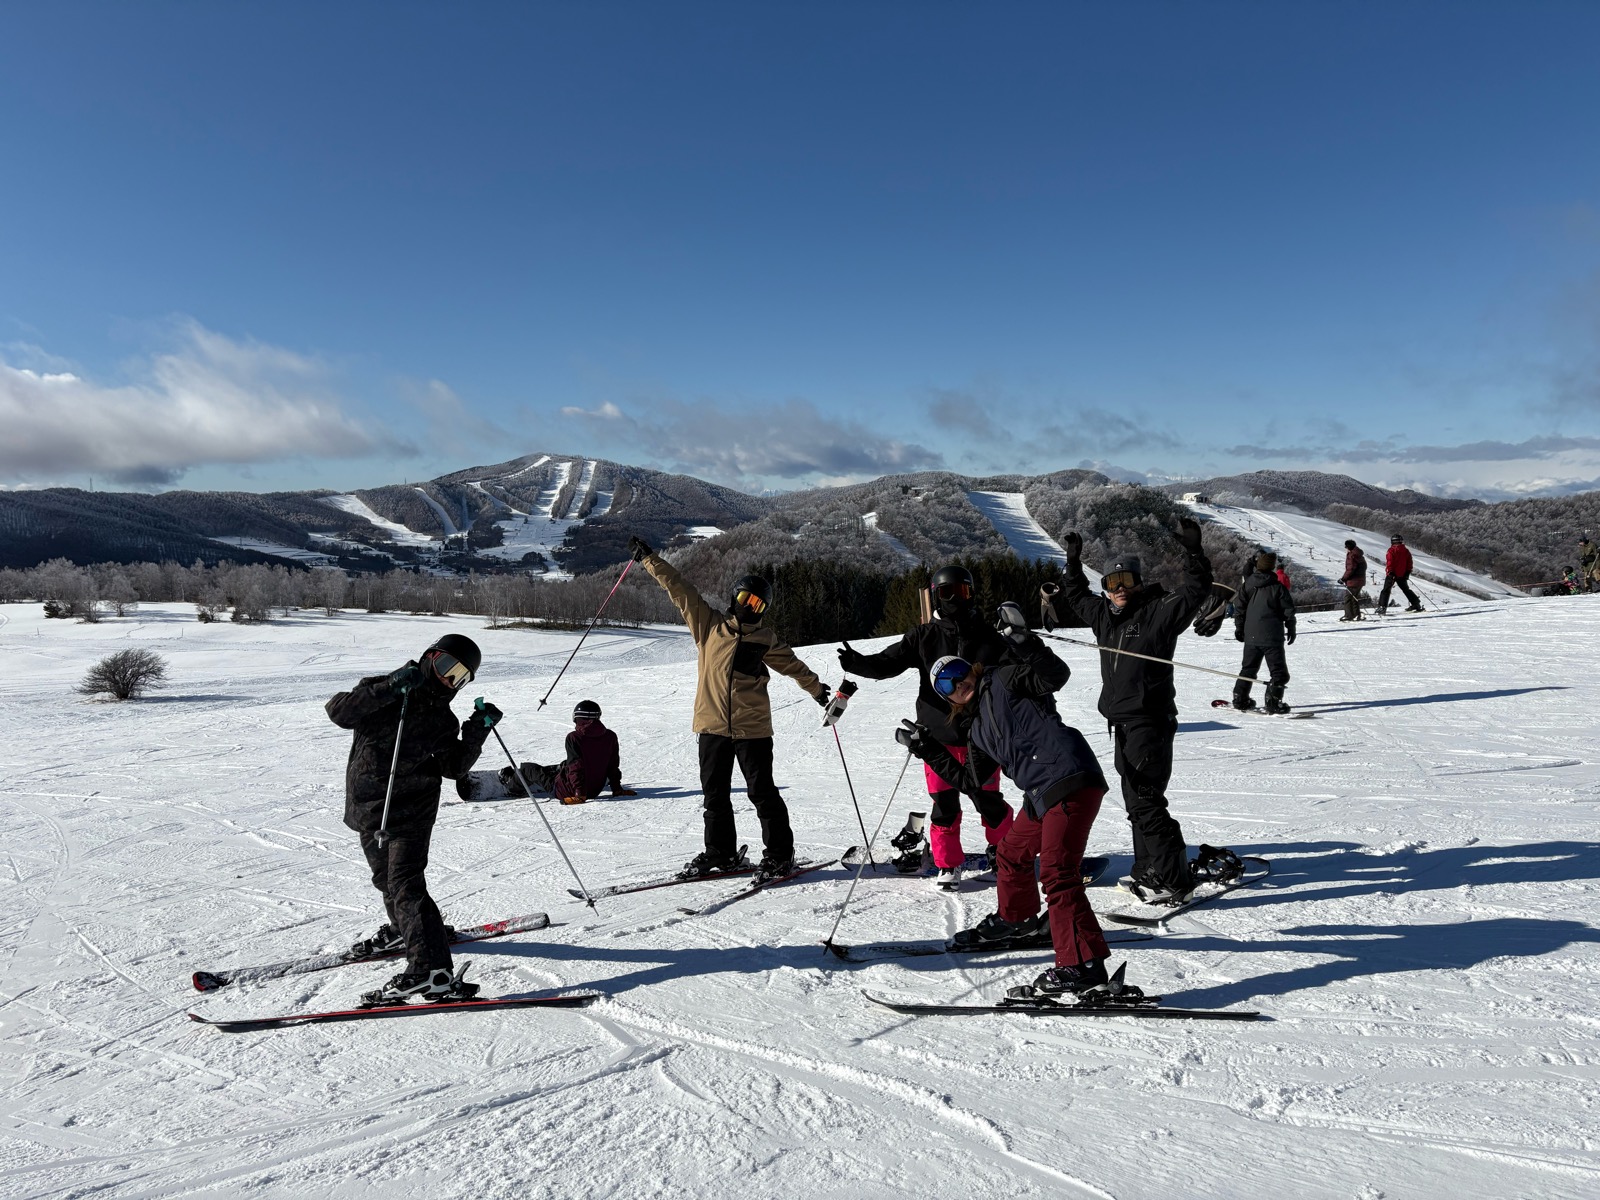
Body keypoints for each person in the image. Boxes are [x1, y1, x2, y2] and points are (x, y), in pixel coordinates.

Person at [894, 620, 1118, 1000]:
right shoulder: (976, 730)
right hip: (1040, 794)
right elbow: (971, 780)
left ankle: (1083, 966)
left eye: (958, 672)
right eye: (947, 684)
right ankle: (1018, 920)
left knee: (1057, 873)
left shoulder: (1006, 679)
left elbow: (1055, 675)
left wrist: (1025, 641)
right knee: (1011, 854)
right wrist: (926, 748)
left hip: (1069, 777)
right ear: (945, 697)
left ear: (971, 669)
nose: (958, 683)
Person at [628, 535, 830, 882]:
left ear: (764, 609)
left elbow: (793, 665)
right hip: (711, 727)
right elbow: (681, 590)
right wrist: (650, 559)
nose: (749, 607)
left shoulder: (765, 639)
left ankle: (780, 855)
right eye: (744, 598)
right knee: (715, 797)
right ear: (733, 597)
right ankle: (720, 852)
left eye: (757, 603)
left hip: (752, 730)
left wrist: (816, 689)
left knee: (762, 794)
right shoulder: (709, 626)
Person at [1046, 517, 1214, 904]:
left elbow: (1196, 589)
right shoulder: (1104, 617)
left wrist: (1193, 552)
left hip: (1149, 722)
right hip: (1121, 723)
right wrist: (1072, 561)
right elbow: (1074, 595)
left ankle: (1175, 877)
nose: (1120, 590)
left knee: (1146, 800)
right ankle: (1148, 868)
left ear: (1139, 583)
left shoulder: (1158, 613)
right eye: (1112, 584)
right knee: (1135, 800)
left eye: (1127, 582)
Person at [326, 633, 502, 1004]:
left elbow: (454, 767)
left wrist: (476, 729)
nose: (446, 680)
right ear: (428, 657)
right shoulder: (383, 691)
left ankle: (431, 969)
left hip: (413, 812)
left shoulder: (441, 718)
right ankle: (402, 929)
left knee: (405, 884)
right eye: (444, 667)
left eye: (458, 676)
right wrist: (390, 687)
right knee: (384, 880)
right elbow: (339, 712)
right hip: (370, 807)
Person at [838, 563, 1011, 888]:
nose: (956, 598)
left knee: (990, 803)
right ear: (937, 596)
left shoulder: (988, 637)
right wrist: (858, 663)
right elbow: (889, 663)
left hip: (983, 738)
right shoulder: (925, 637)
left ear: (972, 593)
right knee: (944, 805)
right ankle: (948, 864)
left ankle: (1005, 854)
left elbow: (1016, 676)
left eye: (963, 591)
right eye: (948, 592)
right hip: (938, 740)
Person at [509, 699, 635, 804]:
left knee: (528, 769)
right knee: (564, 764)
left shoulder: (574, 737)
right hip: (594, 790)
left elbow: (576, 767)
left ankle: (511, 788)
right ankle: (556, 772)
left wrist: (579, 794)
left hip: (568, 791)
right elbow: (612, 765)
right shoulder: (610, 736)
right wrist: (617, 788)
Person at [1232, 552, 1296, 714]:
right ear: (1272, 568)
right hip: (1272, 636)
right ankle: (1273, 702)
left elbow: (1239, 608)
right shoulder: (1277, 587)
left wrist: (1239, 628)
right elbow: (1288, 610)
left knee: (1248, 668)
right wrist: (1291, 628)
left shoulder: (1247, 585)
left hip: (1251, 635)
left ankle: (1240, 698)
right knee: (1279, 673)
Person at [1376, 534, 1423, 613]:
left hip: (1392, 574)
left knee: (1386, 590)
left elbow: (1390, 562)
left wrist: (1390, 571)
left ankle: (1382, 607)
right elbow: (1409, 562)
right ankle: (1416, 604)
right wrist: (1408, 572)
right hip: (1402, 574)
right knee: (1406, 589)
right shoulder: (1406, 550)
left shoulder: (1391, 550)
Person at [1339, 539, 1368, 622]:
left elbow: (1350, 569)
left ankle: (1349, 615)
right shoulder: (1358, 554)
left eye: (1346, 547)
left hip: (1354, 580)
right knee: (1354, 598)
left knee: (1348, 598)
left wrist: (1343, 579)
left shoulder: (1352, 555)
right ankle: (1355, 614)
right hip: (1360, 579)